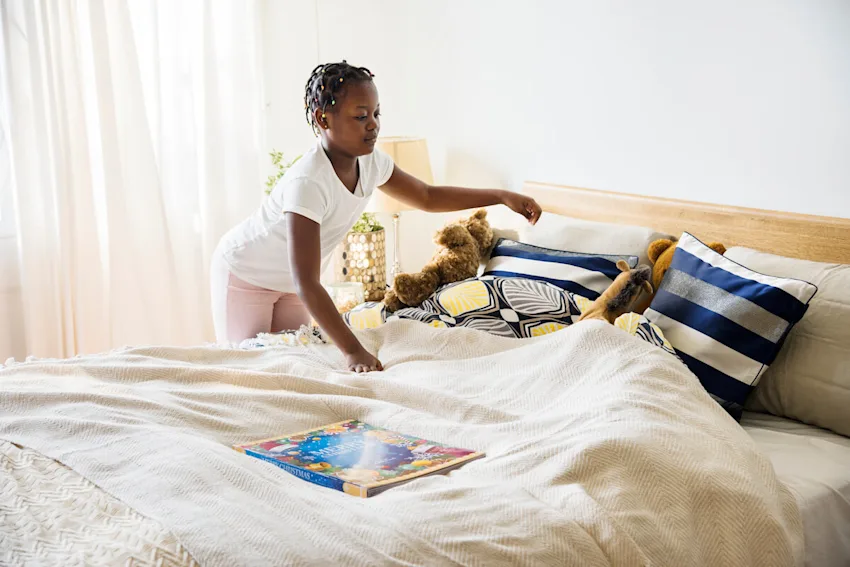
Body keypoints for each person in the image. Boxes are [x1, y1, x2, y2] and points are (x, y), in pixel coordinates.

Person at [211, 60, 542, 372]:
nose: (373, 124)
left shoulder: (371, 162)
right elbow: (308, 281)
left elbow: (426, 196)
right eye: (360, 116)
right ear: (324, 119)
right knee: (248, 369)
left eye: (376, 113)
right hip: (247, 275)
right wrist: (353, 351)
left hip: (293, 287)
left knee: (293, 369)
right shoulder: (308, 183)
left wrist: (501, 196)